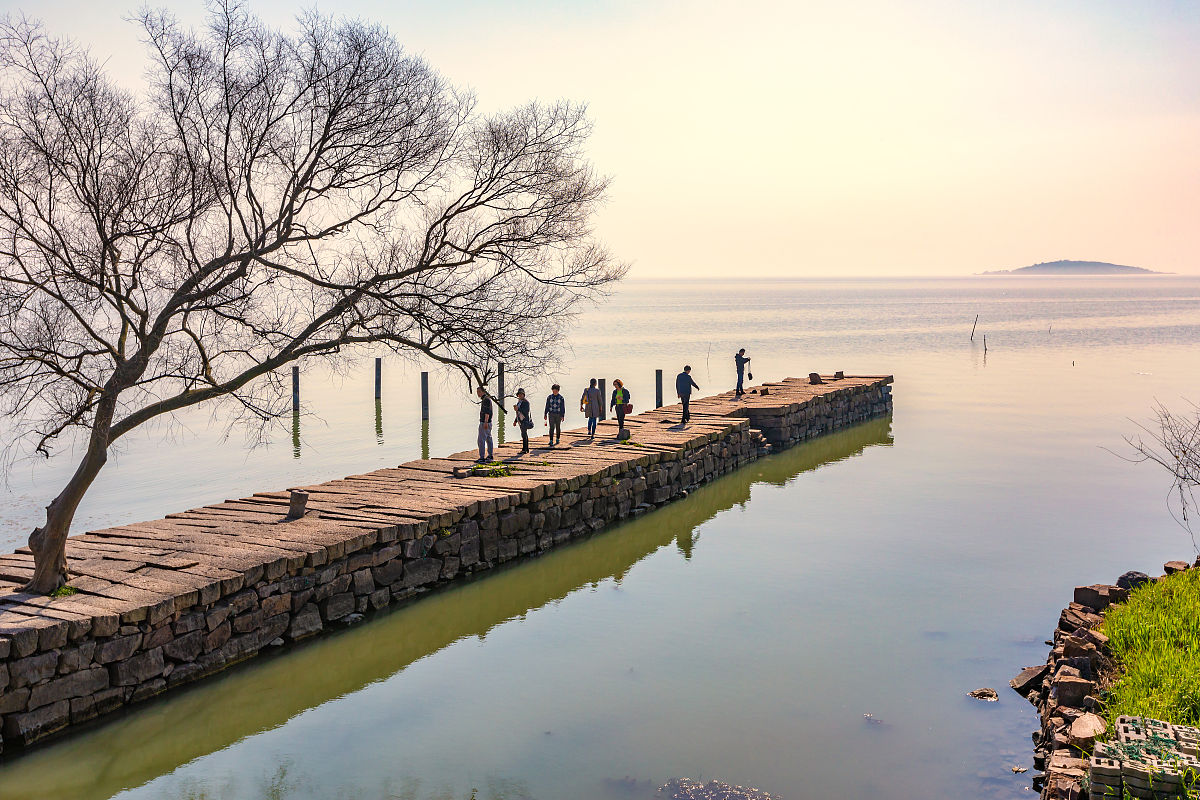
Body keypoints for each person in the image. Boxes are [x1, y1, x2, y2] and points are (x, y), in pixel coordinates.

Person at [476, 386, 494, 462]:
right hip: (488, 422)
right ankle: (490, 456)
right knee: (488, 438)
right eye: (477, 392)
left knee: (481, 440)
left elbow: (487, 412)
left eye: (479, 392)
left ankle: (482, 457)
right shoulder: (487, 399)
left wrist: (485, 422)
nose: (477, 394)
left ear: (483, 391)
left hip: (485, 422)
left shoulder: (486, 400)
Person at [513, 388, 532, 454]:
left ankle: (525, 449)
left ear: (523, 395)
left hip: (524, 420)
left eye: (521, 394)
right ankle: (525, 449)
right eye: (519, 394)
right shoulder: (519, 402)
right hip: (520, 420)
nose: (520, 395)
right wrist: (515, 421)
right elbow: (518, 412)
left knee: (524, 434)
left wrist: (518, 408)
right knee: (523, 434)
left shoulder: (526, 402)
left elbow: (525, 411)